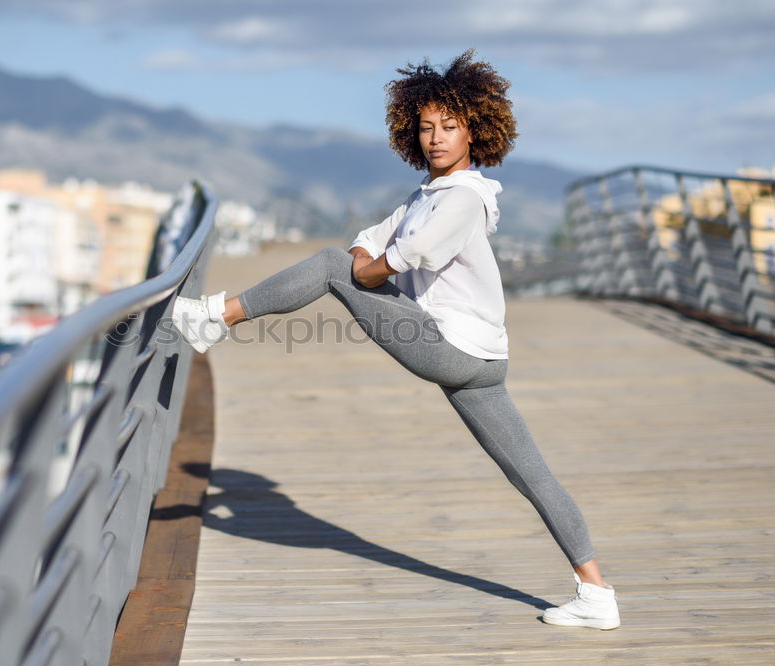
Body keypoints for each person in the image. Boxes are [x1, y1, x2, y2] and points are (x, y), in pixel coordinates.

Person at [172, 50, 620, 630]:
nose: (435, 139)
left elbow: (406, 254)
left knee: (331, 265)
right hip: (480, 359)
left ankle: (215, 317)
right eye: (426, 127)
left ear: (475, 129)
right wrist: (371, 261)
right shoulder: (423, 197)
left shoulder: (462, 198)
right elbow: (371, 239)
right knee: (533, 475)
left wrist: (368, 267)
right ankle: (597, 594)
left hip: (452, 347)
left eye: (450, 127)